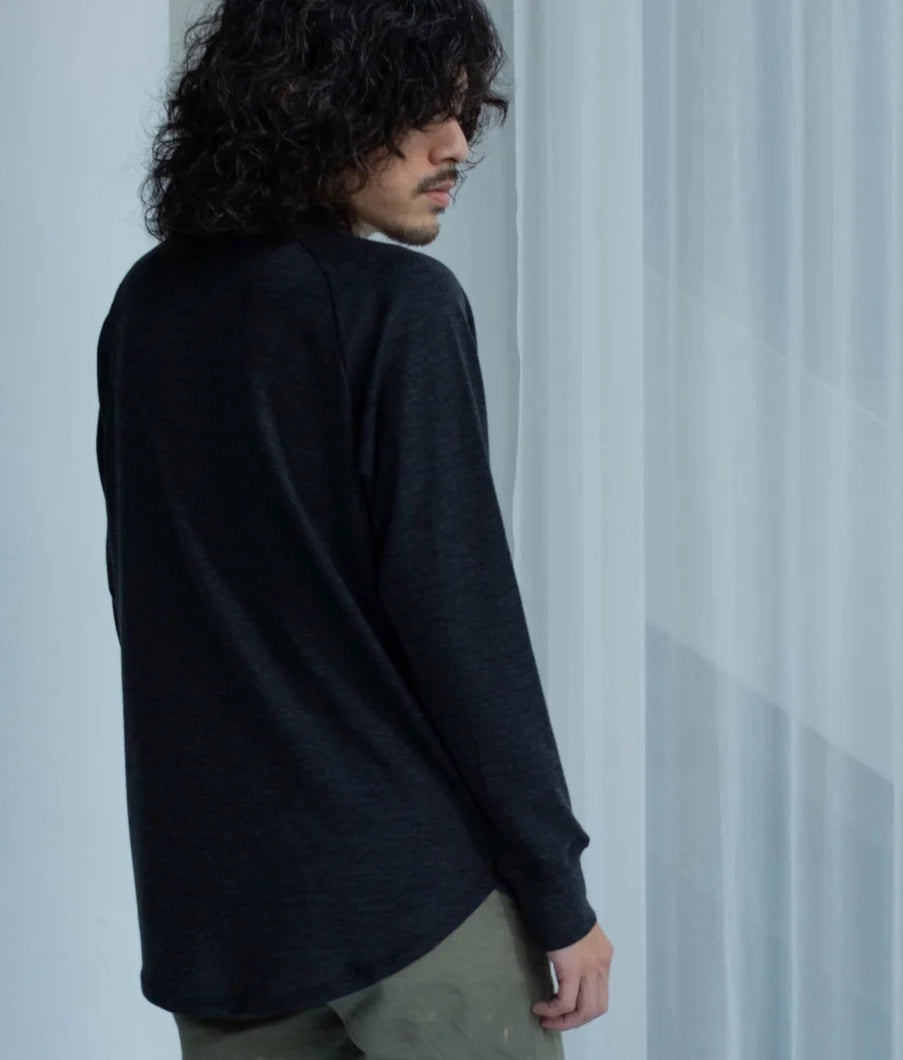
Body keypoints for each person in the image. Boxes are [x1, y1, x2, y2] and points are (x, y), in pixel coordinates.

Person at [93, 1, 612, 1057]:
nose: (455, 144)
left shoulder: (148, 305)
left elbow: (146, 601)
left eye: (463, 112)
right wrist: (556, 889)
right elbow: (462, 622)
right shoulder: (397, 307)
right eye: (417, 109)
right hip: (414, 910)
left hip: (225, 925)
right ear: (303, 100)